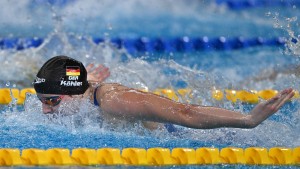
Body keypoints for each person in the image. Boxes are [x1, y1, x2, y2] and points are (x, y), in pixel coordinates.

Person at [33, 55, 295, 129]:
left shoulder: (113, 101)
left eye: (52, 101)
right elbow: (77, 85)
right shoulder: (80, 93)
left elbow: (184, 112)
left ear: (75, 93)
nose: (45, 110)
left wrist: (248, 120)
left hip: (189, 135)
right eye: (42, 101)